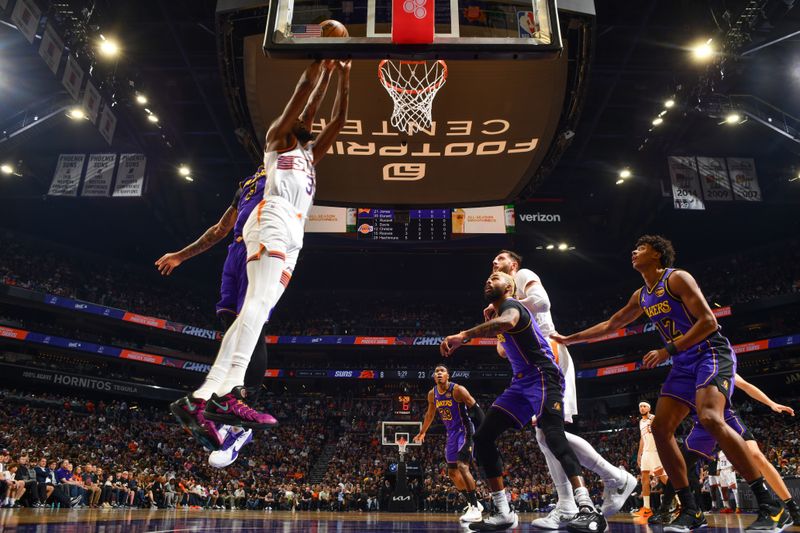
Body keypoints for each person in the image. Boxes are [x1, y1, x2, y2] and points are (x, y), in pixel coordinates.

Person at [552, 235, 789, 532]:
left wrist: (669, 349)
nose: (634, 251)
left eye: (641, 248)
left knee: (710, 417)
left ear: (657, 254)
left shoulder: (677, 279)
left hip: (710, 353)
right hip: (683, 363)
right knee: (661, 429)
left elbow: (708, 322)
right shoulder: (642, 295)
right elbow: (612, 324)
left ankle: (770, 506)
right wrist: (569, 338)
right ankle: (691, 510)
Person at [170, 58, 350, 438]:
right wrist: (321, 65)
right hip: (273, 217)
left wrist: (345, 77)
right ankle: (231, 392)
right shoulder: (278, 140)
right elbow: (303, 96)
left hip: (295, 232)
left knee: (257, 308)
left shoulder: (310, 157)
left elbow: (337, 122)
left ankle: (201, 398)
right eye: (307, 119)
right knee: (254, 305)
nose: (311, 121)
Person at [441, 271, 606, 533]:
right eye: (487, 278)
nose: (488, 280)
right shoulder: (498, 314)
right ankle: (503, 511)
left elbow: (508, 321)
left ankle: (587, 507)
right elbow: (504, 342)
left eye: (495, 277)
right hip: (521, 383)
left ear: (509, 286)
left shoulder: (512, 305)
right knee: (483, 438)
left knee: (553, 436)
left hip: (543, 375)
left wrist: (464, 335)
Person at [490, 250, 636, 528]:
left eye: (500, 259)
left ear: (514, 264)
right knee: (545, 436)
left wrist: (512, 305)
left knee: (549, 432)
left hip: (548, 353)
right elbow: (501, 348)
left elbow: (542, 302)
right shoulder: (502, 303)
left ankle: (613, 479)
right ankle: (570, 502)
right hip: (533, 363)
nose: (495, 263)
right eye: (493, 262)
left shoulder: (522, 276)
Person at [157, 166, 270, 456]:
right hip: (235, 252)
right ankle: (220, 407)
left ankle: (243, 414)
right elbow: (220, 230)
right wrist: (181, 255)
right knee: (230, 324)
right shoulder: (247, 182)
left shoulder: (288, 171)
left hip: (262, 247)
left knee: (252, 325)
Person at [650, 373, 800, 525]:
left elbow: (746, 385)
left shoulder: (717, 364)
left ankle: (792, 508)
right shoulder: (686, 374)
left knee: (756, 455)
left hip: (726, 417)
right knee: (680, 463)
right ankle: (664, 509)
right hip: (702, 425)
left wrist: (771, 403)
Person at [414, 364, 485, 523]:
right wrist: (423, 431)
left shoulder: (458, 390)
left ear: (448, 376)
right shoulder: (432, 394)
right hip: (451, 434)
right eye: (436, 371)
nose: (439, 373)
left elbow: (476, 407)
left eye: (442, 371)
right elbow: (430, 414)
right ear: (434, 377)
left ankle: (474, 507)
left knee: (462, 465)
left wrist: (485, 429)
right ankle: (473, 503)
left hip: (465, 430)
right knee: (452, 473)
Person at [637, 401, 669, 517]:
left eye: (644, 406)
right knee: (644, 478)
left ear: (649, 408)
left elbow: (662, 432)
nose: (642, 408)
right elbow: (642, 438)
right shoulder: (641, 421)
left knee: (663, 478)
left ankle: (680, 501)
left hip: (655, 451)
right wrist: (639, 454)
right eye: (640, 406)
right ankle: (646, 508)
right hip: (646, 452)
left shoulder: (654, 418)